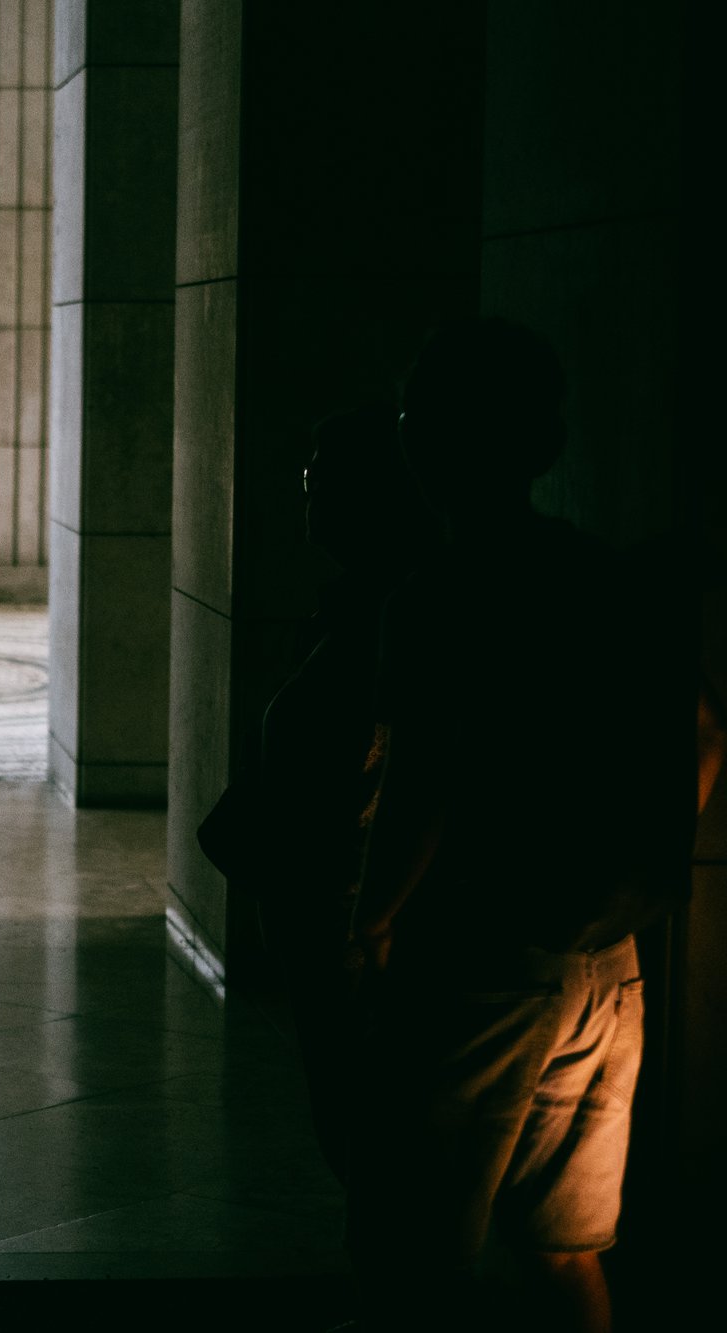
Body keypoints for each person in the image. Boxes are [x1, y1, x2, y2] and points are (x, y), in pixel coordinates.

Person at [345, 318, 716, 1332]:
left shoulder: (437, 595)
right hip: (605, 961)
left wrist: (370, 923)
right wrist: (632, 862)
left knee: (410, 1253)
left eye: (415, 417)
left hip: (481, 949)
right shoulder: (603, 577)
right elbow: (703, 733)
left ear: (434, 440)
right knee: (562, 1247)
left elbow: (424, 778)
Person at [198, 406, 437, 1180]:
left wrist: (369, 918)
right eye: (310, 482)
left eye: (323, 484)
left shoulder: (396, 613)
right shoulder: (356, 604)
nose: (310, 501)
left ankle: (388, 1295)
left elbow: (415, 773)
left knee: (365, 1122)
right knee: (350, 1114)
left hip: (351, 909)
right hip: (330, 902)